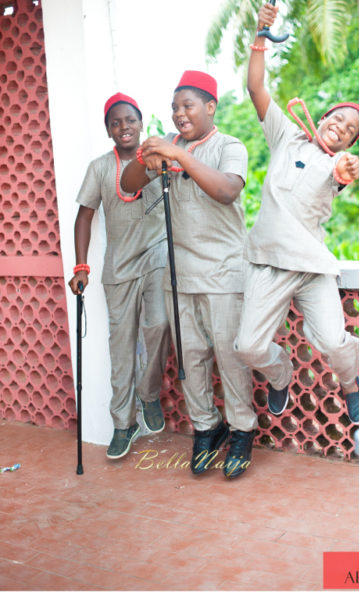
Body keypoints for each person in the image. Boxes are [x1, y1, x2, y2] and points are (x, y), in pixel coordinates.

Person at [234, 3, 359, 426]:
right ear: (325, 115)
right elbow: (256, 87)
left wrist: (350, 167)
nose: (342, 128)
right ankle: (281, 373)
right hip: (268, 262)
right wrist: (260, 34)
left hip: (311, 267)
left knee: (332, 340)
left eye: (350, 131)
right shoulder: (286, 137)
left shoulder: (337, 165)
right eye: (339, 120)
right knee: (249, 348)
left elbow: (349, 171)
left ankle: (350, 382)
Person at [121, 71, 258, 479]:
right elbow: (127, 186)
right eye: (175, 107)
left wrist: (180, 156)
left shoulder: (228, 146)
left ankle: (242, 431)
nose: (180, 113)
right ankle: (206, 427)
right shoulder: (167, 148)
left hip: (224, 275)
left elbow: (227, 190)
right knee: (191, 360)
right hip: (179, 276)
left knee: (231, 360)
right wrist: (148, 157)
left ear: (210, 107)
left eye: (189, 105)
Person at [69, 93, 171, 460]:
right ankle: (123, 423)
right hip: (119, 267)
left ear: (141, 122)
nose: (123, 127)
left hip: (156, 255)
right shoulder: (99, 168)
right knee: (121, 346)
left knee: (159, 324)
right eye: (115, 122)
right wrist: (81, 266)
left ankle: (148, 395)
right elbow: (84, 217)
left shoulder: (161, 157)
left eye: (129, 120)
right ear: (108, 129)